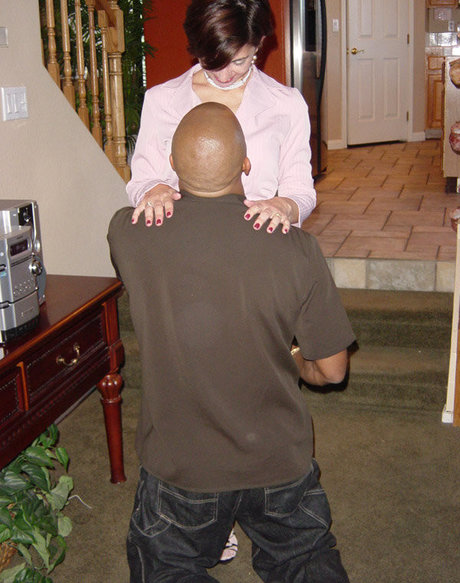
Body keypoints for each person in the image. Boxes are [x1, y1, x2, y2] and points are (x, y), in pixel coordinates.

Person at [108, 102, 355, 582]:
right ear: (246, 164)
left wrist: (153, 194)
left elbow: (137, 222)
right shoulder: (296, 246)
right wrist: (295, 358)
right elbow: (332, 370)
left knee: (165, 568)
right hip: (279, 463)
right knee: (306, 561)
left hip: (182, 470)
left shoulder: (127, 233)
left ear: (172, 165)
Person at [127, 0, 316, 235]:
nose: (224, 76)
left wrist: (283, 206)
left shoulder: (286, 104)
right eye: (212, 60)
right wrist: (154, 190)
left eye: (238, 61)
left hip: (253, 240)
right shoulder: (162, 100)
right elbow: (140, 182)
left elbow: (301, 193)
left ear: (259, 43)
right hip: (180, 239)